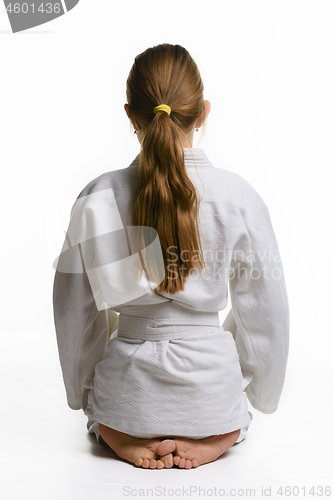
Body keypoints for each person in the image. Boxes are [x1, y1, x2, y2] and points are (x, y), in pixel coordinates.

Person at [53, 43, 289, 470]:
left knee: (107, 410)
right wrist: (253, 393)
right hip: (210, 398)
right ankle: (220, 435)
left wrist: (84, 392)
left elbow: (74, 310)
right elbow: (266, 312)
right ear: (203, 113)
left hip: (126, 398)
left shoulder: (98, 195)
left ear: (130, 115)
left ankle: (116, 432)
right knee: (233, 414)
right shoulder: (238, 197)